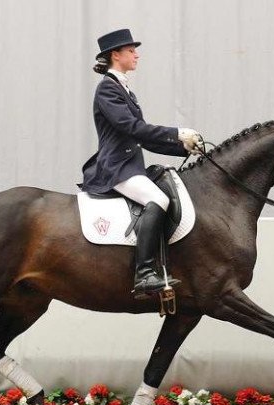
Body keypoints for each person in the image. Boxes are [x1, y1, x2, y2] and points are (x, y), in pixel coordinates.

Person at [81, 28, 203, 298]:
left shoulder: (124, 90)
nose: (136, 54)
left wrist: (183, 148)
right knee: (159, 200)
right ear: (116, 55)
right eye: (131, 50)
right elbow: (133, 128)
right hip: (115, 167)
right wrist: (177, 132)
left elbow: (143, 138)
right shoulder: (107, 90)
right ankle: (145, 273)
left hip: (129, 165)